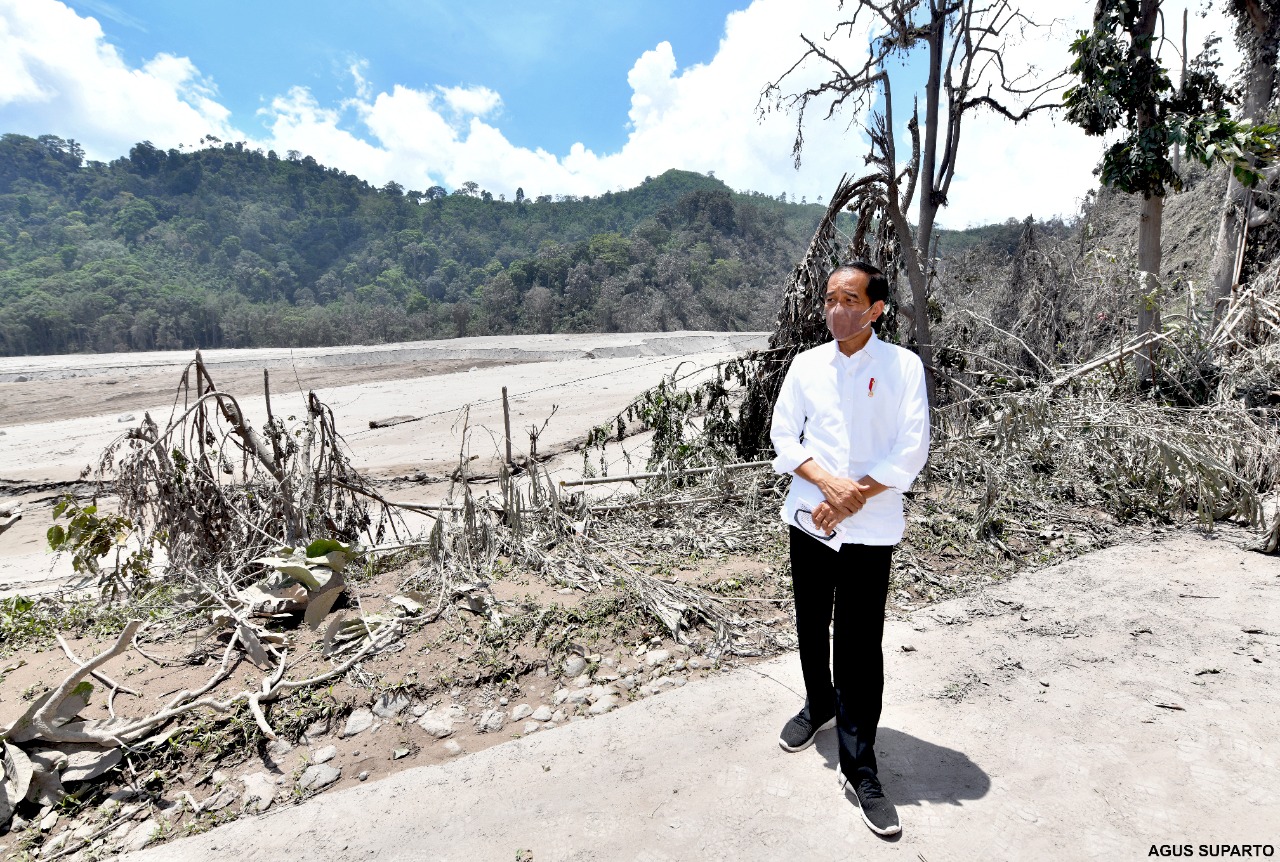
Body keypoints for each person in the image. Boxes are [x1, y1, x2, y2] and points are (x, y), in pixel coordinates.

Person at [769, 261, 929, 837]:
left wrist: (849, 496)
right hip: (809, 517)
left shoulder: (902, 367)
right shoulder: (807, 365)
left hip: (870, 525)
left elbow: (910, 450)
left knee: (859, 644)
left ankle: (861, 767)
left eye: (850, 300)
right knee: (811, 621)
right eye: (830, 299)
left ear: (876, 308)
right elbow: (783, 435)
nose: (837, 310)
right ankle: (819, 703)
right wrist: (826, 484)